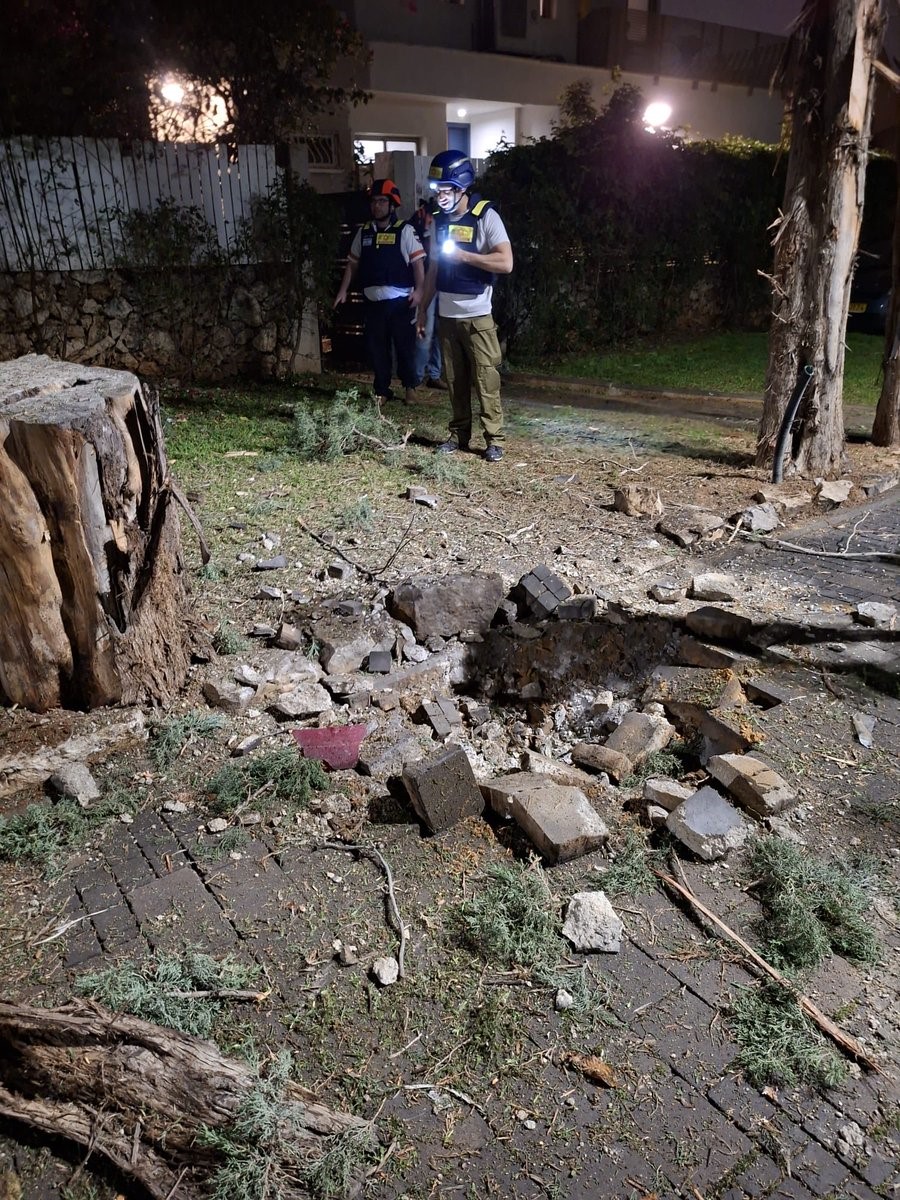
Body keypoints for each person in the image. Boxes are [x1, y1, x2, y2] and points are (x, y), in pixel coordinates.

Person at [417, 150, 513, 462]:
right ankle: (458, 435)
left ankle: (494, 440)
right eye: (437, 190)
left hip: (477, 316)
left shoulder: (486, 216)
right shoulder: (439, 220)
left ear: (462, 188)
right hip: (447, 317)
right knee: (455, 381)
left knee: (486, 380)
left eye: (446, 190)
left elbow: (506, 262)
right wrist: (422, 309)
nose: (440, 196)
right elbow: (433, 269)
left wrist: (465, 257)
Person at [334, 179, 425, 406]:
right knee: (377, 349)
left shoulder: (405, 231)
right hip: (373, 303)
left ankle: (410, 387)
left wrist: (420, 291)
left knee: (404, 347)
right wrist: (343, 291)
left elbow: (418, 265)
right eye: (374, 201)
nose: (377, 206)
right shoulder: (364, 232)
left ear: (392, 205)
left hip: (400, 302)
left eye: (382, 201)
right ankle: (382, 390)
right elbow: (352, 264)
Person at [410, 196, 445, 389]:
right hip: (427, 284)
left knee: (439, 331)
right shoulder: (416, 223)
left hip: (444, 283)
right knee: (425, 329)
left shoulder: (443, 222)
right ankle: (416, 376)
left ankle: (434, 374)